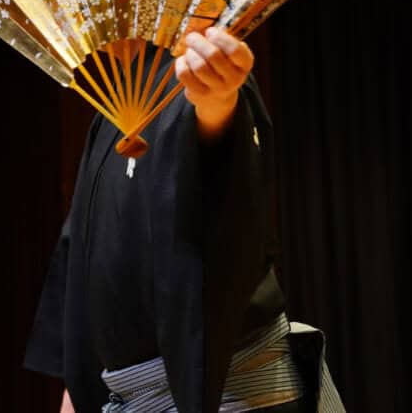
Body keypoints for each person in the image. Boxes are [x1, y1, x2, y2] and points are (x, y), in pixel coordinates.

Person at [24, 27, 343, 412]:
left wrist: (218, 102)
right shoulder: (111, 110)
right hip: (128, 394)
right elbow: (81, 270)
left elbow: (224, 172)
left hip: (230, 398)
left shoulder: (193, 75)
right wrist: (75, 392)